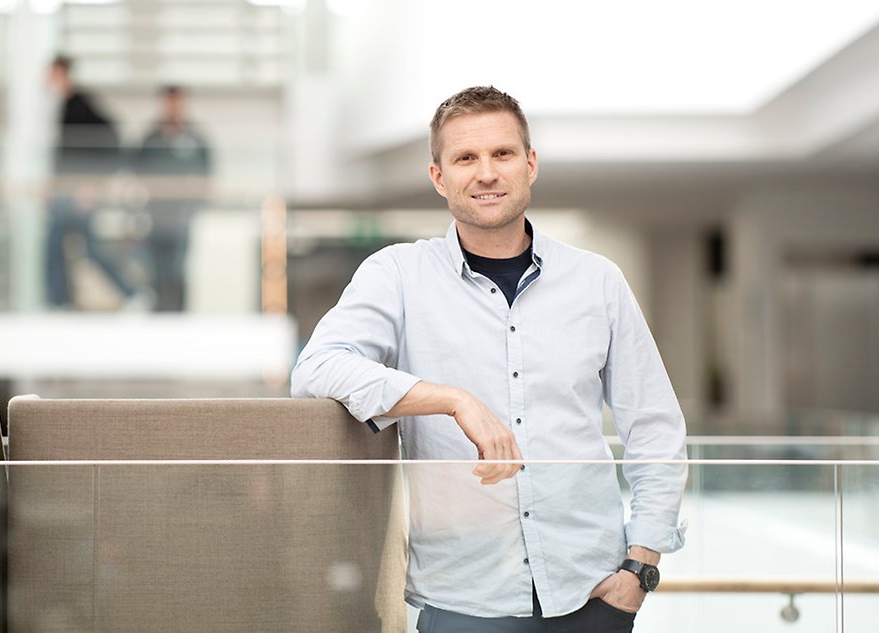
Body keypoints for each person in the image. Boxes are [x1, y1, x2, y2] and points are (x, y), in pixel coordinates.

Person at [291, 86, 687, 632]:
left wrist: (639, 569)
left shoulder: (598, 281)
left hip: (593, 592)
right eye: (465, 158)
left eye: (502, 154)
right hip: (465, 598)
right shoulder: (398, 275)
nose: (486, 173)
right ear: (439, 177)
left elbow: (655, 427)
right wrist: (453, 400)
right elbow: (316, 369)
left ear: (530, 164)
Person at [45, 54, 143, 310]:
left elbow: (110, 141)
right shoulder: (64, 105)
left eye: (52, 73)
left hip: (77, 191)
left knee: (84, 248)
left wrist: (93, 184)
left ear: (63, 73)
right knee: (57, 245)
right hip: (65, 189)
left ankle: (130, 294)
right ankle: (61, 302)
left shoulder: (80, 104)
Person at [133, 85, 212, 311]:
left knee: (177, 271)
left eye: (177, 102)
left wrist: (193, 206)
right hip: (155, 216)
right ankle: (158, 317)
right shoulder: (150, 138)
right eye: (169, 102)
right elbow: (138, 173)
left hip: (181, 217)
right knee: (155, 271)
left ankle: (178, 316)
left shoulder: (195, 139)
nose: (173, 108)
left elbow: (206, 176)